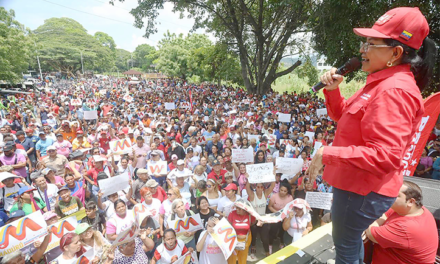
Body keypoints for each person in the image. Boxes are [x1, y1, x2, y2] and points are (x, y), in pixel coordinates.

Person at [307, 7, 437, 264]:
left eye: (370, 43)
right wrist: (333, 92)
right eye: (364, 42)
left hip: (361, 190)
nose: (362, 50)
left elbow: (385, 155)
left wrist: (326, 153)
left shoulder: (394, 91)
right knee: (350, 244)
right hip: (357, 185)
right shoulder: (380, 82)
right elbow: (346, 117)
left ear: (395, 53)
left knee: (345, 249)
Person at [364, 181, 438, 264]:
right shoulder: (416, 210)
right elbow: (385, 213)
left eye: (395, 195)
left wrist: (373, 220)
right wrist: (377, 221)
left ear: (411, 202)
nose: (389, 196)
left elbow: (371, 233)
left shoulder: (407, 227)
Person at [245, 179, 275, 259]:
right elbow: (247, 187)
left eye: (261, 187)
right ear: (256, 187)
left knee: (264, 237)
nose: (260, 188)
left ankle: (267, 252)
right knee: (253, 235)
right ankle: (253, 246)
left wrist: (273, 175)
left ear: (263, 188)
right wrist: (248, 179)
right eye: (258, 187)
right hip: (254, 220)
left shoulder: (265, 194)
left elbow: (272, 186)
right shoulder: (252, 195)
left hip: (263, 220)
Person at [268, 180, 293, 253]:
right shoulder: (274, 196)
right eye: (281, 190)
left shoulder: (290, 198)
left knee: (283, 230)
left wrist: (285, 215)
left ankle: (281, 243)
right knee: (273, 231)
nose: (282, 192)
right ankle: (270, 244)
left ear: (287, 191)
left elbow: (290, 208)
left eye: (284, 191)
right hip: (275, 215)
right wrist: (277, 213)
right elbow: (270, 206)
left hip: (285, 216)